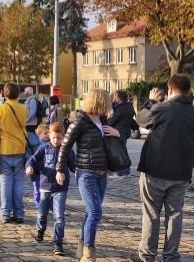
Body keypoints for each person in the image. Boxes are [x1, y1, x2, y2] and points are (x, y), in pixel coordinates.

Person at [131, 75, 194, 262]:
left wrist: (152, 101)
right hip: (181, 173)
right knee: (175, 215)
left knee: (151, 214)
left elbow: (141, 119)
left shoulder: (162, 108)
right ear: (188, 91)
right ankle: (171, 256)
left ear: (169, 90)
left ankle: (147, 256)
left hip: (156, 171)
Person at [57, 88, 120, 262]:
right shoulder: (80, 121)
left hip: (102, 173)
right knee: (95, 213)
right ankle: (88, 255)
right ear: (99, 101)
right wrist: (60, 170)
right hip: (85, 173)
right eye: (107, 100)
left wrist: (117, 133)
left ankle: (81, 248)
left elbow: (112, 143)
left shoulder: (103, 120)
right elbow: (65, 146)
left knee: (89, 213)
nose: (109, 103)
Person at [26, 123, 75, 256]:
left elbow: (73, 166)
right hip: (45, 186)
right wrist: (29, 167)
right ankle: (40, 230)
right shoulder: (44, 148)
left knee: (59, 216)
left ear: (63, 137)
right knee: (42, 213)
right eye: (53, 137)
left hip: (61, 187)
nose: (55, 141)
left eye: (59, 138)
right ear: (49, 136)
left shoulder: (68, 150)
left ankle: (58, 242)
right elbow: (32, 159)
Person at [0, 82, 27, 223]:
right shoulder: (23, 108)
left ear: (4, 93)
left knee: (6, 182)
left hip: (4, 149)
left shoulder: (0, 109)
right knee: (18, 182)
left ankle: (5, 213)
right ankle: (19, 213)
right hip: (20, 148)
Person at [108, 90, 136, 179]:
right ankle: (127, 172)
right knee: (123, 151)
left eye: (115, 96)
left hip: (118, 133)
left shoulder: (120, 109)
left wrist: (108, 120)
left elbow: (112, 122)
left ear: (119, 98)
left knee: (119, 153)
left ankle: (120, 173)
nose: (114, 98)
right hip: (126, 132)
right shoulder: (129, 107)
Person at [29, 124, 50, 210]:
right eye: (45, 133)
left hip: (47, 170)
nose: (48, 135)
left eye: (49, 133)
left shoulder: (51, 144)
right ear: (39, 134)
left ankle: (50, 206)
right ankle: (38, 205)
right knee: (37, 189)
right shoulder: (35, 145)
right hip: (36, 170)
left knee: (49, 189)